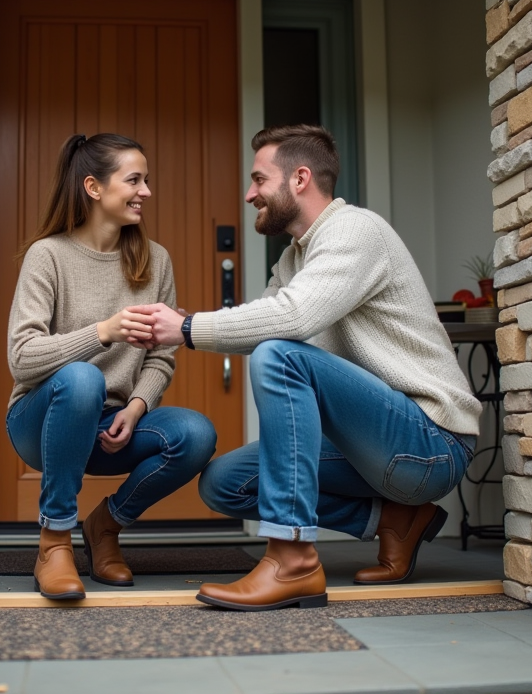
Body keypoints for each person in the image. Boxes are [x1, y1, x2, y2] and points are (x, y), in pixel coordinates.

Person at [131, 125, 481, 611]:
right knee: (224, 483)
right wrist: (180, 324)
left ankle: (292, 557)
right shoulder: (296, 256)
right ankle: (395, 521)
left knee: (280, 353)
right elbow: (266, 316)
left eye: (258, 179)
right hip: (374, 449)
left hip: (430, 444)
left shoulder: (355, 230)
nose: (250, 193)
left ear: (299, 178)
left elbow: (293, 318)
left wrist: (187, 329)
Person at [6, 133, 217, 601]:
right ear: (94, 188)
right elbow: (22, 358)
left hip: (111, 426)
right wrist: (104, 331)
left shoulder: (154, 260)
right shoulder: (49, 256)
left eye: (147, 180)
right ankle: (54, 540)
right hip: (39, 422)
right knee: (84, 379)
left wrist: (138, 407)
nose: (146, 191)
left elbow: (161, 356)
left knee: (196, 434)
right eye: (134, 180)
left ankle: (105, 526)